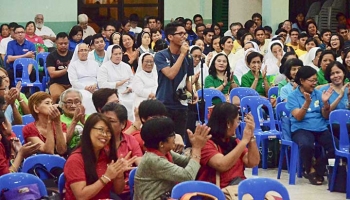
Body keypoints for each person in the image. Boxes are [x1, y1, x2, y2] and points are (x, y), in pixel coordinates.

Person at [134, 117, 211, 199]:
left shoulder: (165, 152)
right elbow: (187, 176)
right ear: (161, 144)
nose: (175, 137)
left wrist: (198, 146)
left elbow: (187, 162)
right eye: (172, 135)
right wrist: (196, 148)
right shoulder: (154, 160)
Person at [64, 113, 136, 200]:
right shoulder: (75, 160)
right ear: (88, 130)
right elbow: (81, 196)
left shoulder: (107, 155)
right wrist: (106, 177)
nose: (105, 135)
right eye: (101, 130)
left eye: (108, 131)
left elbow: (118, 191)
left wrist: (119, 175)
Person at [286, 65, 337, 185]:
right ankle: (309, 169)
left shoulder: (318, 94)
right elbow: (298, 117)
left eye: (315, 80)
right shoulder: (292, 96)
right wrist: (307, 103)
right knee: (307, 144)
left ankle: (318, 168)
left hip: (320, 127)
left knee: (335, 146)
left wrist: (325, 104)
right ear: (302, 81)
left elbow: (325, 116)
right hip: (301, 128)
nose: (314, 83)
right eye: (311, 80)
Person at [196, 102, 260, 188]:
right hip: (216, 192)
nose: (238, 124)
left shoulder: (235, 142)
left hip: (238, 187)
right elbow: (221, 165)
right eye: (237, 121)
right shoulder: (205, 143)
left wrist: (251, 137)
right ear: (228, 123)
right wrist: (244, 141)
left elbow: (252, 162)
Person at [154, 21, 197, 143]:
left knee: (179, 140)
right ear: (170, 37)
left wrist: (193, 92)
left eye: (185, 33)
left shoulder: (188, 57)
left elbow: (187, 79)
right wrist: (182, 55)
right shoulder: (160, 56)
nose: (184, 36)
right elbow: (170, 74)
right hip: (164, 102)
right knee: (164, 139)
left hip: (181, 104)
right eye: (181, 33)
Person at [101, 102, 143, 198]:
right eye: (103, 120)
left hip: (129, 189)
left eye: (111, 121)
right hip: (105, 190)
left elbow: (139, 161)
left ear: (123, 124)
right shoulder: (98, 143)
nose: (105, 125)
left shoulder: (130, 140)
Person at [98, 44, 135, 121]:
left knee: (135, 100)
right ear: (110, 55)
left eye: (120, 54)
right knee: (122, 103)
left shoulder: (126, 66)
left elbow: (132, 80)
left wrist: (129, 88)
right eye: (115, 54)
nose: (118, 56)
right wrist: (117, 84)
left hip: (127, 92)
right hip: (112, 93)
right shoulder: (104, 67)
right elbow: (102, 84)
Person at [0, 108, 40, 176]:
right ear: (4, 125)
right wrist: (21, 155)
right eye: (8, 121)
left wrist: (16, 153)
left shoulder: (7, 140)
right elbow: (7, 177)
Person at [68, 43, 99, 114]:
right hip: (80, 88)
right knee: (85, 97)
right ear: (77, 52)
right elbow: (73, 81)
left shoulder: (95, 64)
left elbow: (99, 77)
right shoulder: (73, 65)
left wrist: (95, 85)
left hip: (95, 87)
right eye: (81, 50)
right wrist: (86, 87)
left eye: (85, 50)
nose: (84, 52)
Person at [46, 32, 73, 103]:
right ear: (56, 43)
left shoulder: (73, 55)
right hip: (56, 83)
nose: (63, 45)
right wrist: (67, 69)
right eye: (61, 44)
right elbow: (52, 74)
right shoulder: (51, 56)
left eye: (66, 43)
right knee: (56, 96)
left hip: (72, 84)